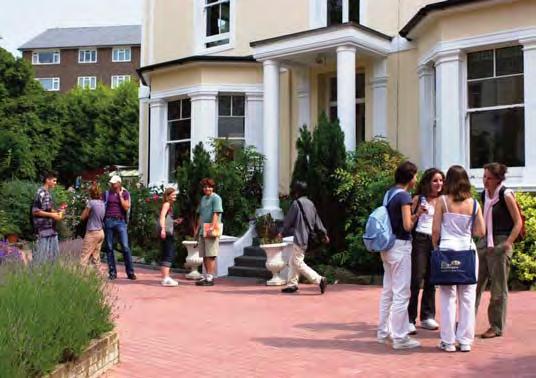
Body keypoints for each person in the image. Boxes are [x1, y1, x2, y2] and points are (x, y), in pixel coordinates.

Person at [432, 165, 485, 352]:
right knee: (468, 298)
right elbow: (481, 231)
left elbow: (436, 230)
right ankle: (465, 341)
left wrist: (435, 247)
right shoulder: (474, 204)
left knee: (447, 297)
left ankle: (448, 341)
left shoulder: (442, 201)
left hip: (447, 248)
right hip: (467, 249)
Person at [377, 161, 423, 350]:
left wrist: (416, 212)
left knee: (388, 291)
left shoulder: (389, 194)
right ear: (410, 177)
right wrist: (416, 214)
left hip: (387, 246)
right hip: (400, 246)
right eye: (415, 176)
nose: (416, 179)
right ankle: (399, 337)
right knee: (402, 293)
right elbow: (406, 225)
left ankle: (383, 332)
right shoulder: (404, 196)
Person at [476, 163, 522, 339]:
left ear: (498, 179)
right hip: (484, 242)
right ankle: (465, 323)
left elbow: (517, 222)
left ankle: (496, 326)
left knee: (498, 288)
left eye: (489, 177)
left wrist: (508, 243)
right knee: (474, 285)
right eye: (484, 176)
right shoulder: (484, 195)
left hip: (501, 241)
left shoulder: (506, 194)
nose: (485, 180)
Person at [408, 168, 444, 334]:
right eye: (435, 180)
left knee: (432, 279)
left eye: (441, 181)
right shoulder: (418, 199)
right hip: (420, 240)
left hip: (437, 241)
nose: (439, 184)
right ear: (428, 182)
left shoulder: (443, 201)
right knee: (416, 278)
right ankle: (409, 318)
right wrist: (417, 213)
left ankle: (427, 316)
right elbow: (407, 222)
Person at [279, 181, 329, 294]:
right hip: (308, 237)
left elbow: (288, 221)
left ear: (297, 192)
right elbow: (317, 221)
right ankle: (292, 284)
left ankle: (320, 280)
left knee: (297, 261)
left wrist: (282, 232)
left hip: (300, 237)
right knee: (293, 260)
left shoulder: (296, 204)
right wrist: (324, 234)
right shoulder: (310, 204)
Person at [103, 175, 136, 280]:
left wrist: (120, 196)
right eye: (111, 183)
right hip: (109, 220)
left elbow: (126, 207)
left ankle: (130, 272)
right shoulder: (107, 193)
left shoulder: (125, 193)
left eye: (114, 183)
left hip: (120, 221)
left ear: (119, 183)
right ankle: (112, 272)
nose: (112, 185)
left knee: (125, 247)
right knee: (109, 247)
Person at [194, 178, 223, 287]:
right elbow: (200, 215)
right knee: (204, 254)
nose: (207, 189)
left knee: (211, 254)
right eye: (205, 187)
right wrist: (197, 230)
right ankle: (206, 276)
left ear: (213, 188)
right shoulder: (203, 199)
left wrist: (212, 226)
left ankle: (210, 278)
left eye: (209, 187)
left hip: (211, 230)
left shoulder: (216, 198)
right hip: (203, 229)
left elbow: (216, 213)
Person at [32, 170, 63, 264]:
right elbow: (35, 211)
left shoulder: (48, 193)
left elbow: (47, 210)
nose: (55, 183)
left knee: (54, 259)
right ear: (47, 180)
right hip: (43, 230)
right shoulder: (41, 192)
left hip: (51, 230)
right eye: (54, 180)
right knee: (40, 260)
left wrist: (58, 212)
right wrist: (52, 215)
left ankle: (51, 276)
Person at [159, 187, 183, 287]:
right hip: (167, 233)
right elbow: (161, 217)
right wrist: (163, 229)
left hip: (168, 232)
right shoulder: (167, 204)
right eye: (173, 194)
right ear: (168, 196)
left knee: (167, 253)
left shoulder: (169, 205)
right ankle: (166, 278)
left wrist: (174, 221)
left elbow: (166, 219)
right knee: (169, 254)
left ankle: (166, 277)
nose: (175, 196)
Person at [80, 184, 105, 270]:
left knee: (84, 256)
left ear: (91, 193)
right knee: (96, 257)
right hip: (101, 232)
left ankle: (79, 278)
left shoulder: (91, 203)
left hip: (92, 232)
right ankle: (99, 277)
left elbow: (83, 216)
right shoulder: (102, 203)